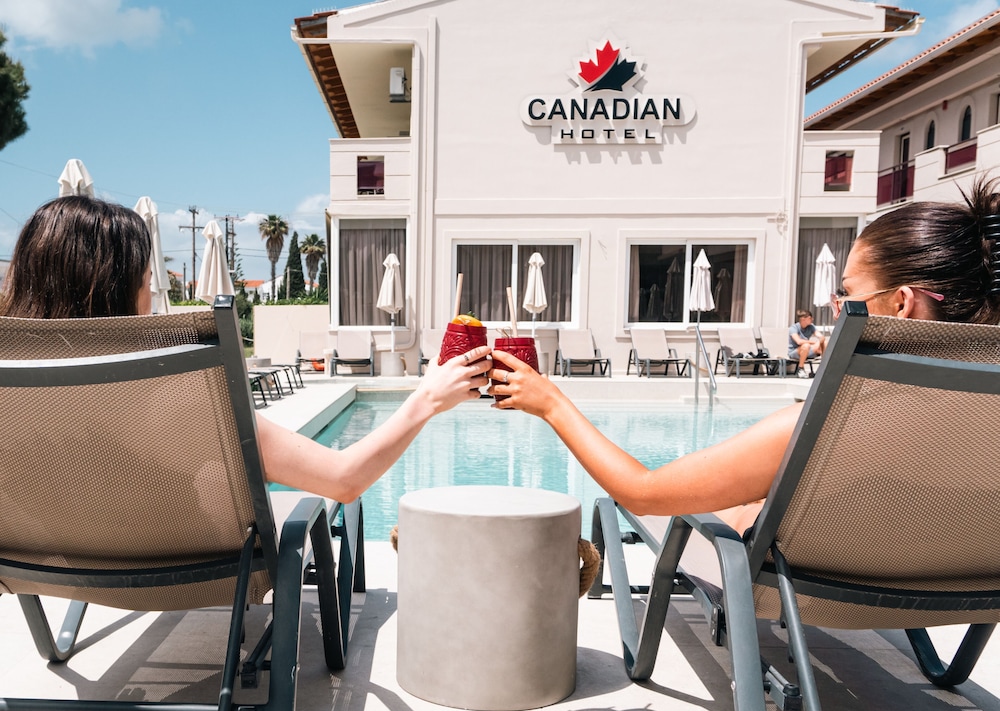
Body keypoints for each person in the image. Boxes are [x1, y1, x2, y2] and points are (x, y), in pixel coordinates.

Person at [489, 175, 1000, 535]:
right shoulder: (980, 421)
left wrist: (552, 403)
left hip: (805, 589)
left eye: (846, 293)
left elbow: (642, 492)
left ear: (901, 304)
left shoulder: (830, 425)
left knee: (689, 513)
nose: (836, 306)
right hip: (955, 587)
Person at [0, 195, 492, 503]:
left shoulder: (14, 395)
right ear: (117, 293)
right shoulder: (173, 395)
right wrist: (426, 398)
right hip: (187, 571)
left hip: (52, 564)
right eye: (148, 281)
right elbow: (343, 479)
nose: (151, 296)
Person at [787, 308, 826, 378]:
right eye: (810, 318)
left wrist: (820, 340)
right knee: (806, 345)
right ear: (803, 319)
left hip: (807, 351)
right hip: (794, 352)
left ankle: (823, 367)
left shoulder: (811, 327)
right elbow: (799, 341)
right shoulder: (794, 328)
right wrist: (814, 343)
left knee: (824, 343)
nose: (812, 319)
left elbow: (820, 336)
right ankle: (800, 369)